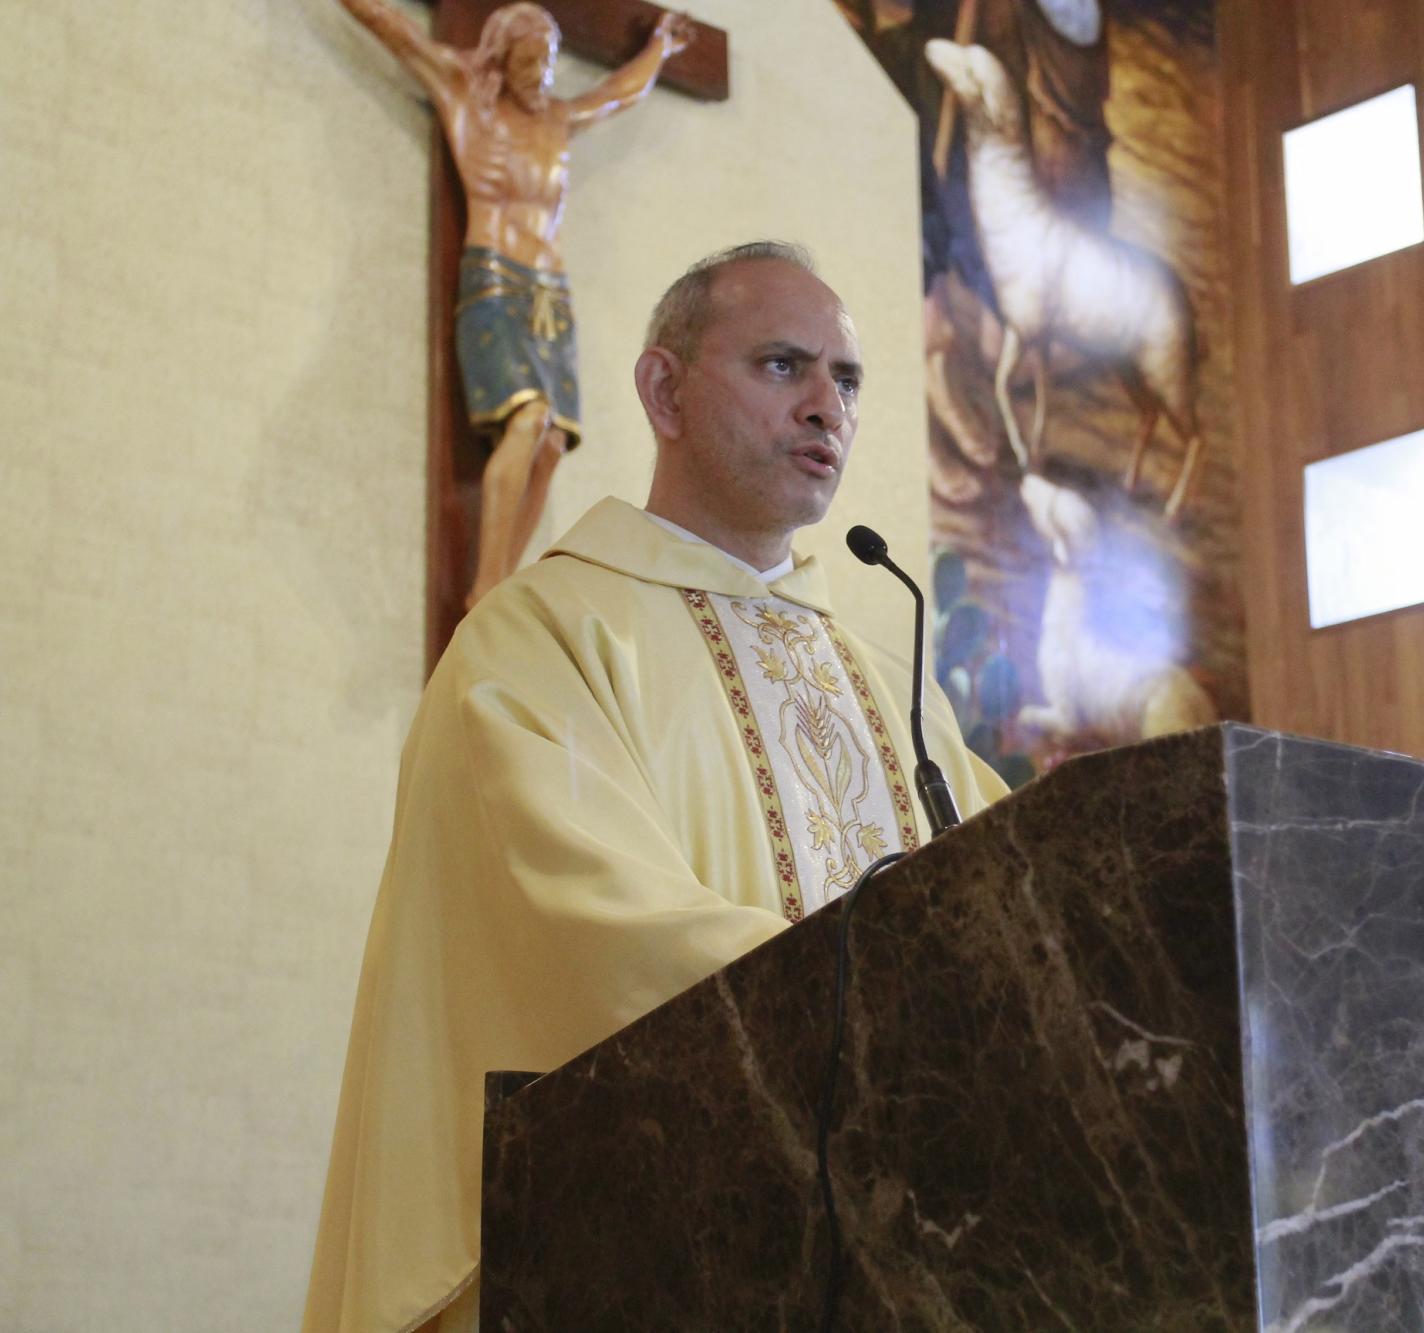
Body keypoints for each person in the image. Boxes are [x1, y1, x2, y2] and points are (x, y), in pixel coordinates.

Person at [303, 243, 1008, 1333]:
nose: (826, 406)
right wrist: (888, 1004)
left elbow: (1016, 912)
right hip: (648, 1265)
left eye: (847, 378)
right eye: (782, 365)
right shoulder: (536, 643)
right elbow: (593, 933)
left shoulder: (889, 686)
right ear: (663, 391)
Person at [332, 0, 696, 607]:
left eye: (546, 62)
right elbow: (393, 29)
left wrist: (659, 48)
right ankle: (486, 587)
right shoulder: (464, 95)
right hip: (496, 278)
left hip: (550, 292)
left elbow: (616, 95)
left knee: (550, 445)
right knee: (527, 420)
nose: (540, 75)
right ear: (500, 60)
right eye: (527, 62)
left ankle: (504, 580)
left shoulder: (557, 118)